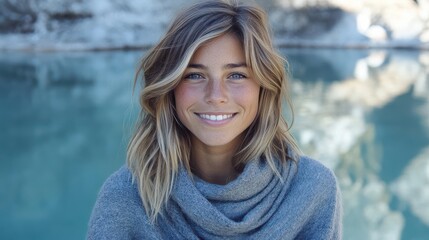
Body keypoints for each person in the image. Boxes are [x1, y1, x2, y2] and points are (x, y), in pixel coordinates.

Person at [87, 0, 342, 239]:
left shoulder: (312, 190)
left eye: (237, 75)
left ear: (263, 87)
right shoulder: (126, 197)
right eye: (194, 76)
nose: (216, 96)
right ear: (169, 86)